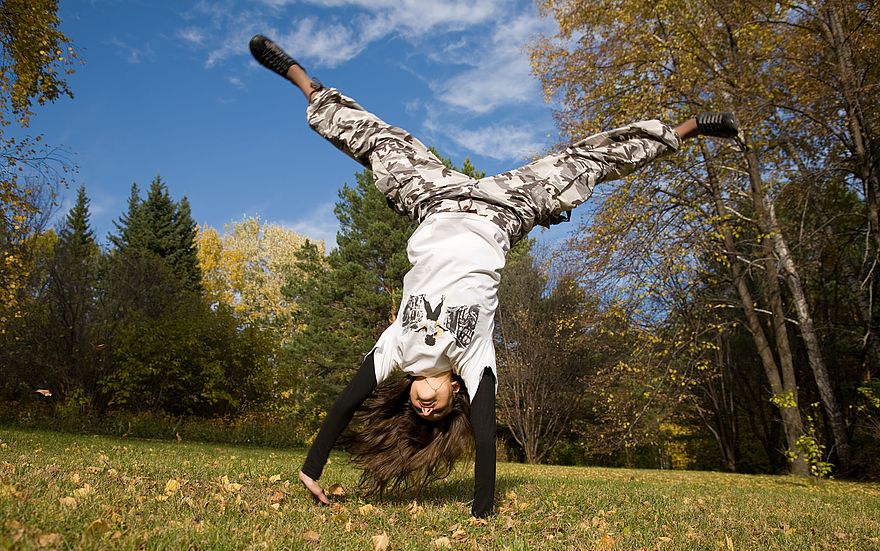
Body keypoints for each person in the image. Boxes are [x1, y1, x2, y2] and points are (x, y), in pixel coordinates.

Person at [248, 34, 740, 518]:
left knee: (378, 142)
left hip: (434, 200)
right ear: (454, 395)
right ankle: (687, 129)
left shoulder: (396, 348)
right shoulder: (472, 360)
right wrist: (482, 510)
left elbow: (343, 407)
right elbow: (485, 438)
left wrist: (312, 467)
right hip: (504, 210)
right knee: (583, 165)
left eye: (419, 409)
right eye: (435, 411)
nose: (425, 405)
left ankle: (300, 79)